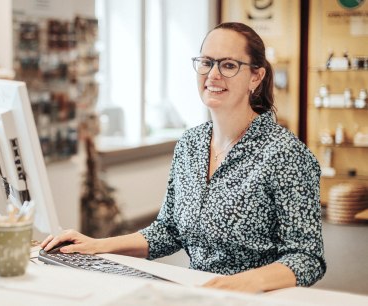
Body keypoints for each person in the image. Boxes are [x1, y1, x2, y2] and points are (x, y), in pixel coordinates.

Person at [41, 22, 326, 293]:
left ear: (256, 76)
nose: (213, 75)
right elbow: (169, 231)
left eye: (228, 65)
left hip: (257, 297)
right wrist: (95, 246)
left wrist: (245, 283)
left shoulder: (286, 154)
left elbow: (307, 257)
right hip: (198, 293)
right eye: (206, 62)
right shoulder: (191, 144)